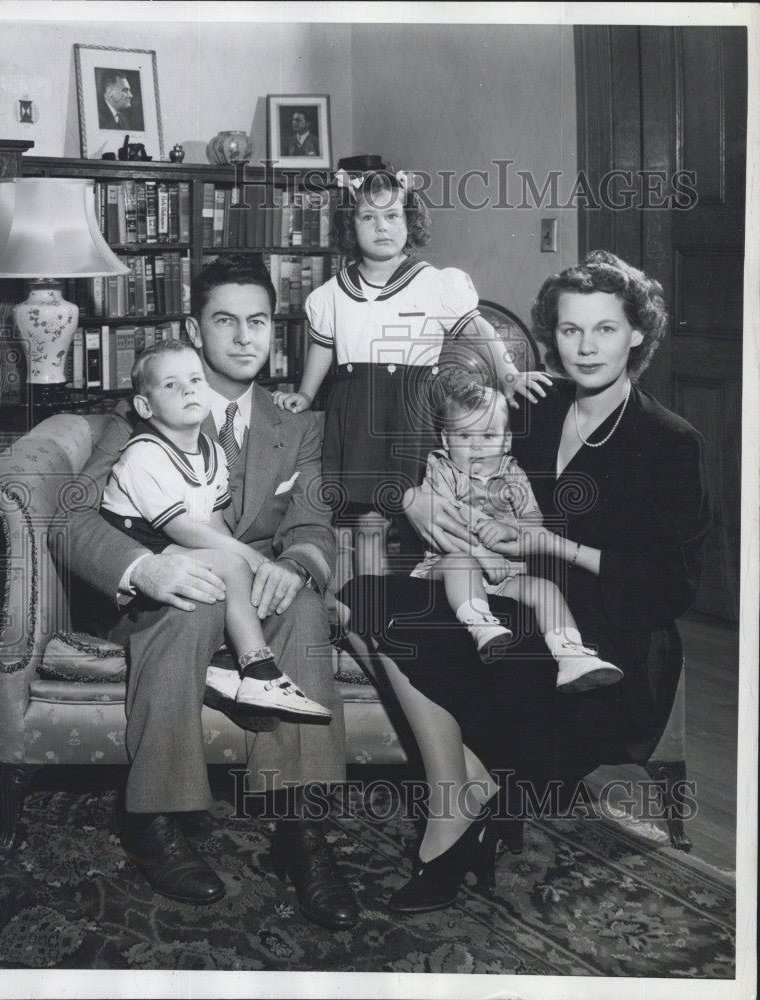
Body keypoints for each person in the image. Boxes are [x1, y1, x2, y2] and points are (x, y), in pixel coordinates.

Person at [340, 250, 711, 914]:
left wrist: (549, 541)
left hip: (600, 635)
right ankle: (469, 788)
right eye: (569, 330)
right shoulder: (533, 403)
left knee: (452, 636)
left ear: (636, 334)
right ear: (551, 336)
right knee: (363, 599)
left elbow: (668, 587)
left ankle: (450, 813)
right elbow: (410, 431)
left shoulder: (667, 440)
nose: (584, 347)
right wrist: (410, 499)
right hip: (500, 590)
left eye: (603, 328)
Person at [51, 255, 359, 930]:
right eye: (225, 321)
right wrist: (144, 567)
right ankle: (155, 818)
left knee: (302, 608)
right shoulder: (144, 413)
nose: (245, 337)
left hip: (258, 596)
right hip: (167, 602)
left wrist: (298, 564)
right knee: (188, 605)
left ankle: (299, 831)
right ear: (195, 328)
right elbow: (70, 519)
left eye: (258, 322)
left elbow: (311, 522)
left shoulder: (298, 426)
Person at [273, 168, 550, 578]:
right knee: (369, 523)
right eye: (368, 217)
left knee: (427, 516)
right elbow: (322, 348)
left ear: (410, 222)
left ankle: (427, 594)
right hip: (356, 412)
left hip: (413, 411)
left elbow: (478, 328)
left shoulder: (434, 283)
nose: (381, 227)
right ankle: (373, 603)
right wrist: (307, 396)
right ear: (351, 225)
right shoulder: (329, 294)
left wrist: (508, 373)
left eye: (393, 217)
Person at [99, 338, 332, 720]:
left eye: (195, 379)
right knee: (232, 567)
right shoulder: (143, 454)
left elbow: (214, 521)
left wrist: (240, 559)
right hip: (143, 545)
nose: (189, 388)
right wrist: (250, 559)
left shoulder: (210, 449)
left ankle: (224, 664)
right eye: (171, 385)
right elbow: (182, 530)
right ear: (145, 406)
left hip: (175, 541)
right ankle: (259, 671)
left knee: (233, 570)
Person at [412, 371, 624, 692]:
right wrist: (481, 551)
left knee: (545, 590)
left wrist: (507, 527)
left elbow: (534, 522)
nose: (476, 448)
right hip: (443, 571)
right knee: (461, 561)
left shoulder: (513, 474)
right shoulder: (442, 468)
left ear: (506, 440)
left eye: (487, 436)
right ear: (445, 440)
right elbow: (443, 521)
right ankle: (481, 626)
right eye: (464, 437)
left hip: (502, 577)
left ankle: (570, 655)